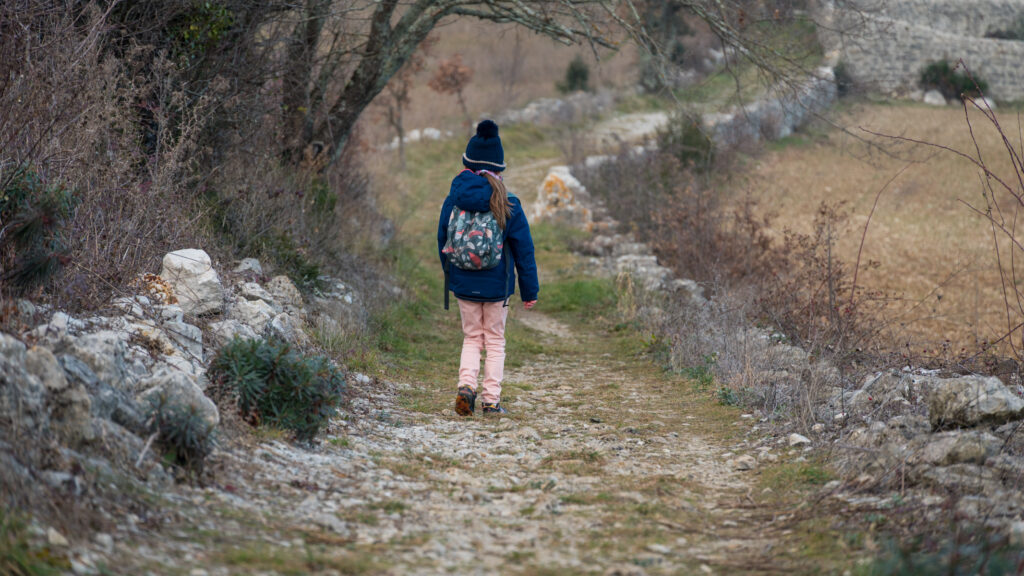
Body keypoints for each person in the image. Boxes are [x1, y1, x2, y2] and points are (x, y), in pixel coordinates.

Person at [437, 119, 539, 416]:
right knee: (494, 340)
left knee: (471, 337)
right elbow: (525, 252)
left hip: (464, 282)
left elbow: (442, 239)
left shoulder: (453, 199)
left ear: (467, 164)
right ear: (499, 169)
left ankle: (465, 387)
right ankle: (491, 401)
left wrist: (452, 274)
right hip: (497, 287)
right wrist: (529, 291)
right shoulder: (509, 203)